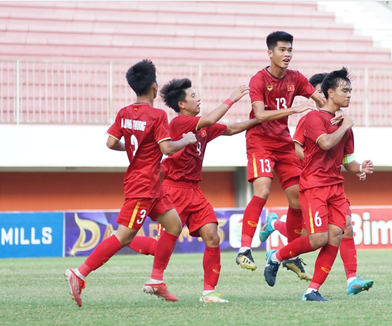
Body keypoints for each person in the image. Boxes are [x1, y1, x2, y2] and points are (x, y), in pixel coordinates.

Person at [64, 60, 197, 307]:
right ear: (154, 87)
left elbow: (111, 143)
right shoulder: (158, 115)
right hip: (143, 185)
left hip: (150, 185)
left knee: (174, 225)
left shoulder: (124, 113)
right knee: (124, 236)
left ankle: (156, 280)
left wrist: (137, 150)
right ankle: (79, 273)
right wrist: (187, 140)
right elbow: (167, 148)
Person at [127, 78, 257, 303]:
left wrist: (260, 120)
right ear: (182, 104)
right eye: (194, 95)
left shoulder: (202, 127)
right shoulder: (178, 123)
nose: (199, 99)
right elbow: (210, 118)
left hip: (195, 191)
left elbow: (233, 128)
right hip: (172, 189)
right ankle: (126, 238)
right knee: (163, 245)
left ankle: (209, 292)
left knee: (213, 237)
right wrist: (232, 99)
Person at [235, 31, 342, 280]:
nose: (287, 55)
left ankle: (290, 256)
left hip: (283, 143)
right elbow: (260, 115)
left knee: (296, 200)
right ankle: (244, 249)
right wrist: (294, 108)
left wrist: (332, 114)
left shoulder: (296, 78)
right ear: (270, 52)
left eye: (290, 50)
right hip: (260, 141)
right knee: (262, 191)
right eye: (282, 50)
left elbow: (319, 100)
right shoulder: (258, 80)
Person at [263, 67, 374, 302]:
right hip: (314, 186)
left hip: (336, 187)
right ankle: (275, 257)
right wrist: (345, 126)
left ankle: (312, 290)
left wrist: (360, 168)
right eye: (345, 90)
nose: (349, 94)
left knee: (338, 233)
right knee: (317, 240)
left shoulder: (345, 124)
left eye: (351, 90)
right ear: (330, 92)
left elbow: (348, 161)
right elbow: (323, 143)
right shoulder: (314, 118)